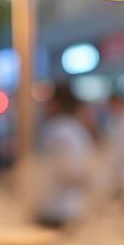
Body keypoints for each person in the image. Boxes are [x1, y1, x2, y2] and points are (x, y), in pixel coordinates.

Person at [31, 82, 97, 227]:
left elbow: (69, 171)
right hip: (71, 208)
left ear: (56, 104)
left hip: (57, 209)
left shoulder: (59, 129)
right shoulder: (76, 128)